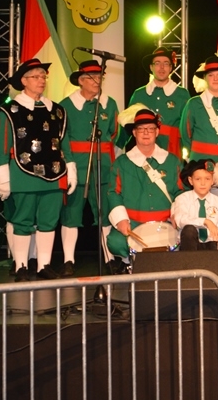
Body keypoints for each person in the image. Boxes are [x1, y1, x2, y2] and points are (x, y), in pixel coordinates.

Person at [0, 58, 76, 281]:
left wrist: (72, 170)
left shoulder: (57, 110)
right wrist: (3, 179)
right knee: (22, 221)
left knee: (48, 222)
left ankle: (43, 265)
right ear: (23, 81)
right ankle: (21, 265)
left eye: (43, 76)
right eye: (36, 76)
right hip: (23, 175)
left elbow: (65, 143)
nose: (41, 80)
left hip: (55, 174)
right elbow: (0, 146)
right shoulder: (10, 110)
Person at [59, 60, 120, 276]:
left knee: (105, 213)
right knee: (71, 214)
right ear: (81, 81)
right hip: (77, 166)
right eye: (92, 78)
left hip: (103, 167)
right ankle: (68, 260)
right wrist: (70, 165)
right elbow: (62, 137)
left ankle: (109, 257)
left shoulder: (109, 104)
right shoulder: (66, 105)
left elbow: (114, 133)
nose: (97, 81)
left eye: (100, 77)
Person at [105, 109, 182, 262]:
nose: (146, 133)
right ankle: (130, 263)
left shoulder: (172, 161)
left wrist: (177, 214)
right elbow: (113, 193)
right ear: (134, 133)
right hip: (134, 223)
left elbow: (181, 191)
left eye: (151, 129)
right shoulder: (122, 163)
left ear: (157, 132)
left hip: (165, 222)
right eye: (141, 129)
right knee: (115, 242)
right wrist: (121, 220)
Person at [171, 159, 218, 282]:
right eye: (198, 179)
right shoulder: (182, 199)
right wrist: (205, 221)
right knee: (189, 229)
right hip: (191, 247)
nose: (203, 183)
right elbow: (180, 219)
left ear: (212, 181)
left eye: (207, 179)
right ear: (191, 181)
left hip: (211, 247)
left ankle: (206, 272)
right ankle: (190, 270)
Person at [127, 47, 190, 158]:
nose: (161, 67)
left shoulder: (182, 94)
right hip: (143, 153)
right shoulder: (139, 94)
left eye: (166, 63)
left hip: (172, 152)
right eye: (157, 63)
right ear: (151, 67)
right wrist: (117, 149)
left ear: (171, 67)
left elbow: (189, 128)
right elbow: (127, 125)